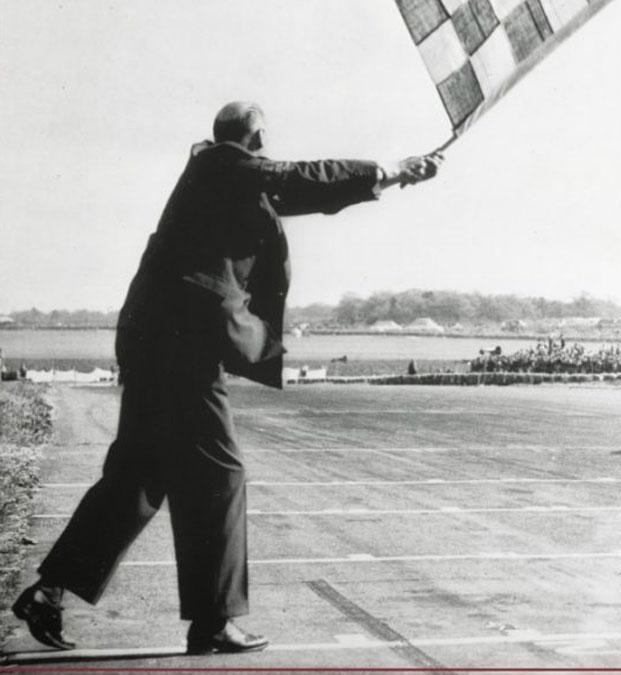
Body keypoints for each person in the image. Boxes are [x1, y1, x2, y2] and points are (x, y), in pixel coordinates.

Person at [11, 102, 442, 654]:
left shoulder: (224, 178)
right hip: (181, 343)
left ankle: (49, 592)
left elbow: (300, 192)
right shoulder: (222, 165)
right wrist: (386, 169)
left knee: (139, 476)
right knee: (221, 475)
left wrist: (392, 177)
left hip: (158, 340)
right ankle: (214, 621)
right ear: (257, 135)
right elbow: (295, 179)